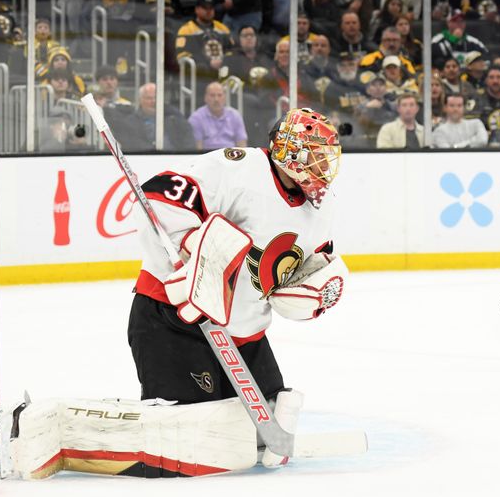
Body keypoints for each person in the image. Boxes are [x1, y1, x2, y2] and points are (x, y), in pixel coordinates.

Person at [128, 108, 345, 463]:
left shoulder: (322, 207)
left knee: (261, 435)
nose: (323, 167)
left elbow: (311, 260)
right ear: (290, 151)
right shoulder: (238, 168)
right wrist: (190, 250)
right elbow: (157, 196)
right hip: (174, 320)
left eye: (327, 158)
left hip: (245, 335)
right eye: (316, 155)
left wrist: (315, 286)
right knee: (187, 440)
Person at [188, 81, 248, 150]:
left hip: (230, 157)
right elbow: (197, 147)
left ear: (225, 98)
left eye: (219, 95)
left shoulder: (235, 116)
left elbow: (242, 144)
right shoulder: (196, 118)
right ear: (205, 98)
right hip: (207, 157)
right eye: (212, 95)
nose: (216, 99)